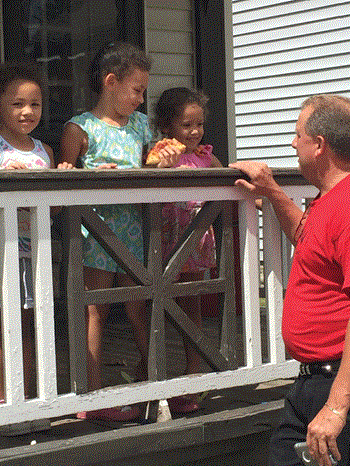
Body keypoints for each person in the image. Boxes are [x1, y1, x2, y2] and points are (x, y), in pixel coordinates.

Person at [229, 94, 350, 466]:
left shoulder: (346, 206)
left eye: (298, 135)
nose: (292, 143)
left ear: (319, 145)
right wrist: (273, 192)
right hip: (311, 383)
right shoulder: (329, 200)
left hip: (335, 384)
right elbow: (308, 239)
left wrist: (336, 407)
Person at [60, 41, 152, 422]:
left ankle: (153, 382)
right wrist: (85, 175)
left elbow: (155, 163)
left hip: (134, 228)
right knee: (95, 307)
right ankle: (91, 393)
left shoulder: (144, 125)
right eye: (136, 89)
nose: (141, 98)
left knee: (141, 303)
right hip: (96, 228)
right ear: (110, 82)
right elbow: (62, 178)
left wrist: (155, 164)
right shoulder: (80, 127)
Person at [0, 63, 71, 401]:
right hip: (3, 252)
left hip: (36, 253)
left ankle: (27, 398)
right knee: (3, 325)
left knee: (29, 325)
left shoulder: (46, 151)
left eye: (35, 104)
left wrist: (61, 179)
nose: (27, 112)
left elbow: (54, 210)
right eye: (17, 103)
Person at [151, 87, 222, 413]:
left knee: (190, 303)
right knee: (161, 304)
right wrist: (163, 164)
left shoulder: (207, 156)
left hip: (196, 238)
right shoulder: (161, 151)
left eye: (199, 125)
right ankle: (154, 373)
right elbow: (147, 174)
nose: (194, 132)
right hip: (166, 238)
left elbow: (227, 178)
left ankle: (192, 374)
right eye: (186, 126)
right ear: (167, 126)